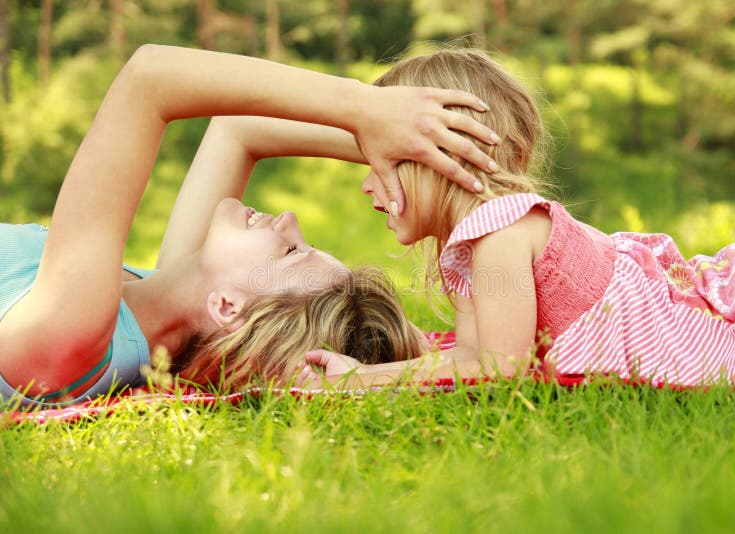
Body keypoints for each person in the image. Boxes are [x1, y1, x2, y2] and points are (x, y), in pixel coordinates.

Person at [0, 44, 502, 406]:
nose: (289, 221)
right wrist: (429, 162)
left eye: (290, 252)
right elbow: (239, 129)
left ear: (228, 307)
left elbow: (148, 79)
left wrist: (363, 106)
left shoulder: (72, 330)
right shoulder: (167, 304)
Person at [300, 48, 735, 390]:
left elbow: (500, 368)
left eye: (379, 165)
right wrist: (356, 376)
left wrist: (362, 380)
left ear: (436, 158)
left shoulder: (501, 230)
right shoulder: (476, 242)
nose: (367, 185)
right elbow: (470, 356)